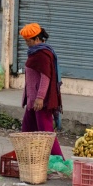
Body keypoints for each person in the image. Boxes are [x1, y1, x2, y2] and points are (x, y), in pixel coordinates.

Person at [20, 23, 64, 156]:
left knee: (46, 134)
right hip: (32, 100)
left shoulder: (42, 54)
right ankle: (26, 158)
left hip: (40, 103)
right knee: (27, 130)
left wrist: (40, 98)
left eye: (28, 41)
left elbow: (46, 78)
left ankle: (59, 161)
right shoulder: (35, 52)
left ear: (37, 39)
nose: (26, 43)